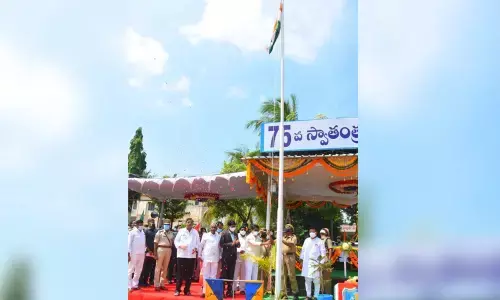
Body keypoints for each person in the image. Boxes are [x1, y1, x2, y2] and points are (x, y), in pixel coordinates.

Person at [173, 218, 200, 296]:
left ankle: (187, 290)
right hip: (181, 255)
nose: (189, 224)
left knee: (189, 274)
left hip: (191, 256)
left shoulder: (195, 232)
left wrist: (196, 248)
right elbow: (176, 241)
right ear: (186, 223)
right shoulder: (181, 231)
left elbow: (198, 243)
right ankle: (177, 290)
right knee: (180, 274)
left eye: (191, 222)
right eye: (188, 222)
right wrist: (180, 246)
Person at [300, 227, 326, 300]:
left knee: (316, 281)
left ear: (316, 233)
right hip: (306, 263)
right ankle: (308, 296)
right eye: (310, 231)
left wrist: (320, 263)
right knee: (307, 280)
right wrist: (301, 259)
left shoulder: (320, 241)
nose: (311, 233)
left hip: (316, 264)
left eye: (313, 231)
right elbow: (303, 250)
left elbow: (323, 253)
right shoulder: (306, 240)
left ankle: (316, 296)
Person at [199, 223, 221, 298]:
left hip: (215, 258)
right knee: (206, 275)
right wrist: (199, 255)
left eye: (214, 227)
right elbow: (201, 246)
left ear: (216, 228)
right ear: (210, 228)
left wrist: (220, 256)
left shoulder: (219, 236)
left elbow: (220, 248)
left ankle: (211, 291)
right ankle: (205, 291)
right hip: (206, 257)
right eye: (212, 227)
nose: (213, 228)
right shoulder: (205, 235)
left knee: (213, 275)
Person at [219, 220, 240, 297]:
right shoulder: (224, 233)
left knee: (231, 273)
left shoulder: (235, 234)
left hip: (233, 256)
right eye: (232, 226)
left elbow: (238, 245)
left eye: (234, 226)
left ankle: (229, 290)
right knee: (224, 274)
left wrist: (237, 243)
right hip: (226, 257)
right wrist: (231, 244)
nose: (233, 227)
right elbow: (221, 244)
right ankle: (222, 291)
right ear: (228, 226)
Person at [153, 222, 174, 291]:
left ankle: (162, 284)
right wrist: (155, 253)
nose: (167, 226)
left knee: (165, 268)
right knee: (158, 267)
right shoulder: (159, 232)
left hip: (168, 249)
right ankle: (156, 284)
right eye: (165, 225)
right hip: (160, 249)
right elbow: (155, 243)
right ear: (163, 225)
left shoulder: (171, 233)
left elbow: (172, 242)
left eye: (168, 225)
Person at [282, 224, 300, 299]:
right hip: (283, 256)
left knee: (291, 275)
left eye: (287, 231)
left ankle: (295, 293)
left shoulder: (293, 237)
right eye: (285, 231)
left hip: (290, 257)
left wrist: (282, 240)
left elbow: (291, 244)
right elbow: (274, 242)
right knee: (283, 276)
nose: (285, 233)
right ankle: (284, 294)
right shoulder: (283, 237)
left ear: (290, 231)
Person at [128, 219, 146, 291]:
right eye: (140, 224)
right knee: (130, 269)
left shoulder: (143, 233)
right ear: (137, 224)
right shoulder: (132, 232)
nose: (141, 225)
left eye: (142, 224)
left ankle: (135, 284)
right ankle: (128, 286)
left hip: (141, 253)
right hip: (133, 253)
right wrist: (128, 254)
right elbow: (128, 244)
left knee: (139, 270)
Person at [140, 219, 157, 287]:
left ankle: (147, 281)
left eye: (153, 222)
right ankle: (141, 281)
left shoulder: (156, 231)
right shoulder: (146, 231)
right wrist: (148, 250)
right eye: (151, 222)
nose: (152, 223)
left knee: (150, 268)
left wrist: (154, 251)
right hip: (147, 252)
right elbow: (144, 242)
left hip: (153, 252)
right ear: (148, 223)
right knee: (144, 268)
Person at [233, 226, 248, 294]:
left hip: (245, 257)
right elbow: (233, 246)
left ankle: (242, 289)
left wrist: (245, 251)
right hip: (237, 255)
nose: (243, 230)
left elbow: (248, 247)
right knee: (235, 273)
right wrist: (239, 250)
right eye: (241, 229)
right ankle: (234, 288)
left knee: (243, 273)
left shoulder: (247, 237)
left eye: (244, 229)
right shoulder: (236, 236)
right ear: (239, 230)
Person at [320, 228, 334, 294]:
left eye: (322, 234)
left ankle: (327, 293)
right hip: (320, 260)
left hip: (326, 260)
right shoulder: (320, 240)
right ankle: (321, 292)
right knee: (320, 278)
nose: (321, 235)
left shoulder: (328, 240)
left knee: (327, 278)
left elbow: (330, 249)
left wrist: (329, 259)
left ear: (326, 233)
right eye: (321, 234)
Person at [260, 230, 274, 295]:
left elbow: (272, 242)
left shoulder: (269, 242)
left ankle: (265, 289)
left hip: (267, 261)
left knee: (266, 276)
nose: (263, 235)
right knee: (260, 276)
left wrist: (269, 234)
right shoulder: (259, 242)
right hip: (260, 260)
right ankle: (260, 289)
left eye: (264, 234)